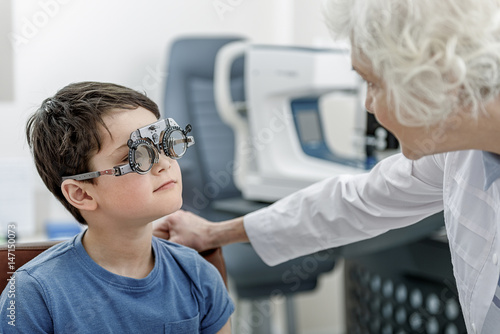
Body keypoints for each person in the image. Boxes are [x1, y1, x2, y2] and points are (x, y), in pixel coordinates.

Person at [153, 0, 500, 333]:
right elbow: (355, 202)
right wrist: (216, 233)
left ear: (438, 76)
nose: (368, 104)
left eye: (374, 83)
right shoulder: (455, 152)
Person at [0, 82, 233, 333]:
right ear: (81, 193)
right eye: (136, 156)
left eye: (163, 144)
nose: (164, 163)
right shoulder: (33, 295)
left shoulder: (199, 276)